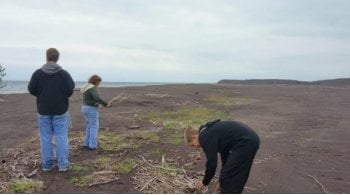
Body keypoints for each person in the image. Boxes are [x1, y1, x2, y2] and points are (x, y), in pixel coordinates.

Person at [28, 48, 75, 172]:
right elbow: (70, 89)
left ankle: (47, 164)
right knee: (61, 136)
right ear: (57, 58)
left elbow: (32, 89)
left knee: (45, 137)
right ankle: (63, 165)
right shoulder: (64, 74)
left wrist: (42, 95)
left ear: (47, 57)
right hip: (60, 109)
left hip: (43, 109)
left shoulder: (38, 73)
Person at [185, 119, 260, 193]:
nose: (195, 147)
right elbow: (225, 155)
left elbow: (211, 163)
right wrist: (221, 179)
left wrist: (205, 182)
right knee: (232, 174)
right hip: (249, 140)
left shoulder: (204, 137)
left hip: (245, 142)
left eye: (193, 145)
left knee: (230, 176)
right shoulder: (209, 132)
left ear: (194, 137)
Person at [80, 75, 111, 150]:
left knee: (89, 126)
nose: (99, 84)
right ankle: (92, 145)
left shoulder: (86, 87)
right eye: (99, 82)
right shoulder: (92, 87)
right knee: (94, 126)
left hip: (84, 108)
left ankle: (86, 143)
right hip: (91, 109)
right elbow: (97, 98)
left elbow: (90, 99)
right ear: (96, 81)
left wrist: (97, 103)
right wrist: (106, 104)